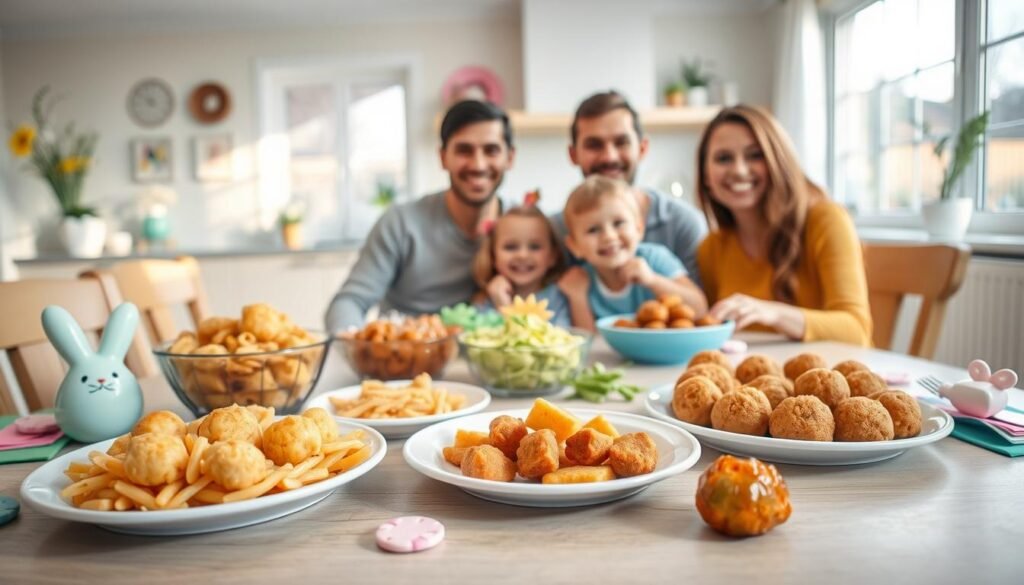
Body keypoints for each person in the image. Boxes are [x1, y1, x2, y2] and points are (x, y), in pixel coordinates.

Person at [324, 100, 514, 332]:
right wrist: (354, 343)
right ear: (443, 157)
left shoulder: (528, 227)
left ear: (510, 158)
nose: (478, 164)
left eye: (491, 150)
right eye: (464, 150)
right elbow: (349, 302)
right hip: (406, 360)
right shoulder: (401, 223)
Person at [695, 105, 872, 345]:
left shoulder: (826, 220)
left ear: (778, 160)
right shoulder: (711, 249)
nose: (738, 170)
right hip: (752, 379)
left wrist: (773, 313)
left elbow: (857, 330)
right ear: (706, 176)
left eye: (755, 155)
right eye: (723, 158)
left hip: (827, 374)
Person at [551, 91, 707, 281]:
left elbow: (700, 306)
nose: (609, 156)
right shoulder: (556, 231)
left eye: (621, 142)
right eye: (594, 145)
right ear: (573, 154)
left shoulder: (683, 223)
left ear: (642, 148)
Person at [557, 175, 708, 331]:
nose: (609, 236)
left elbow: (699, 309)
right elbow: (588, 339)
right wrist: (578, 298)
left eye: (618, 223)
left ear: (639, 228)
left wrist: (652, 280)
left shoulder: (655, 259)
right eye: (593, 230)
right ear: (574, 246)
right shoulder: (582, 280)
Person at [472, 204, 571, 327]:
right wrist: (501, 304)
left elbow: (557, 341)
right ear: (493, 256)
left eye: (535, 247)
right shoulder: (486, 302)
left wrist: (505, 308)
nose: (522, 255)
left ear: (552, 256)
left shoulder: (559, 297)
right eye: (511, 247)